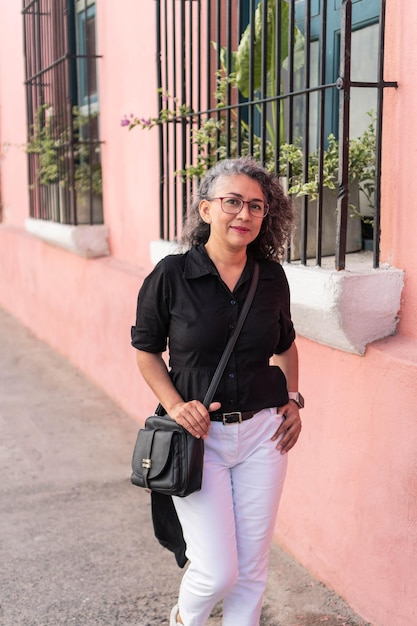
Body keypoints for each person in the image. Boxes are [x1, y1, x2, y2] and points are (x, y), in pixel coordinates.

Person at [131, 156, 303, 626]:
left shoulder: (270, 278)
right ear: (206, 210)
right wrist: (175, 405)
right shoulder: (171, 275)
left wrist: (294, 400)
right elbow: (146, 351)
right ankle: (185, 618)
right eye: (232, 202)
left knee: (251, 571)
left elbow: (285, 346)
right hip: (199, 440)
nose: (244, 214)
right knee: (217, 571)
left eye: (256, 206)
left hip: (264, 437)